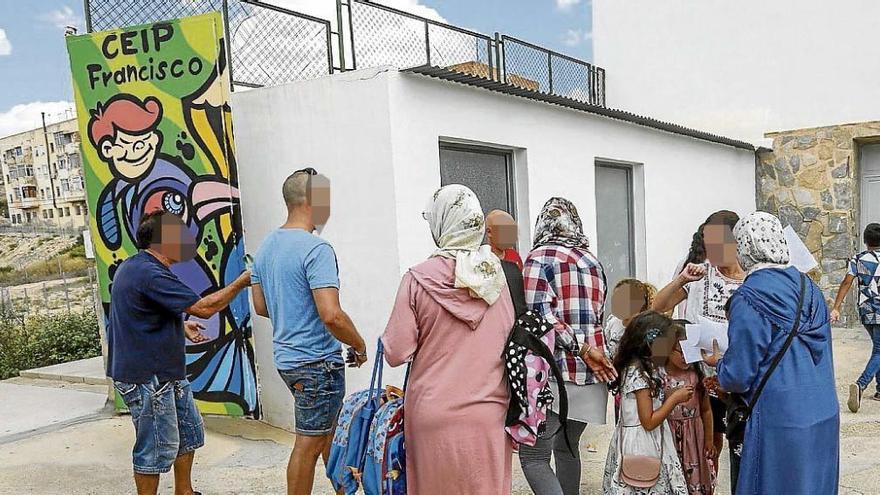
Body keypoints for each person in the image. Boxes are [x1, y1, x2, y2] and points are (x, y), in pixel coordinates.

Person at [108, 211, 252, 495]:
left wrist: (182, 326)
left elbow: (142, 313)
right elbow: (205, 307)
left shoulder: (142, 267)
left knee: (188, 435)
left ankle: (184, 491)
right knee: (155, 447)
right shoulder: (148, 272)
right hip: (148, 378)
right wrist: (241, 282)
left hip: (166, 373)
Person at [382, 184, 513, 494]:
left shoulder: (416, 279)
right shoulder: (498, 278)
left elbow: (396, 351)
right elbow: (509, 335)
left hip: (433, 415)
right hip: (488, 413)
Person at [250, 168, 367, 495]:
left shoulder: (265, 248)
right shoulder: (317, 249)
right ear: (311, 201)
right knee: (309, 443)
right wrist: (359, 344)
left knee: (328, 433)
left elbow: (261, 307)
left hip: (288, 361)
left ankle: (343, 491)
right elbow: (332, 315)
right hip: (317, 363)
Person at [705, 211, 839, 495]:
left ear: (744, 246)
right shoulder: (810, 289)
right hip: (823, 410)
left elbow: (739, 375)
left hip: (778, 418)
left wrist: (719, 364)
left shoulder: (750, 296)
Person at [518, 197, 616, 495]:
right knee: (568, 447)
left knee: (533, 457)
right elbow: (597, 315)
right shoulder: (592, 261)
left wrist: (580, 348)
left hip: (554, 376)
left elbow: (541, 321)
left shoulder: (539, 259)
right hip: (592, 377)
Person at [653, 210, 743, 474]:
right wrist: (681, 279)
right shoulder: (699, 275)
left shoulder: (754, 279)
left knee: (737, 443)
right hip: (702, 378)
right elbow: (659, 306)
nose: (711, 250)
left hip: (740, 378)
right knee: (707, 444)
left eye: (717, 243)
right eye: (707, 243)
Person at [602, 311, 689, 495]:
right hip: (642, 445)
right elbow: (648, 422)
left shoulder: (639, 367)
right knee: (644, 483)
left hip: (636, 441)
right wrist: (674, 399)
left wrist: (666, 394)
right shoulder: (639, 374)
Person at [830, 223, 880, 411]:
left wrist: (836, 307)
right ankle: (860, 385)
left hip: (866, 309)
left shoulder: (858, 259)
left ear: (865, 241)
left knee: (878, 347)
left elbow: (846, 283)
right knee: (879, 350)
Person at [664, 323, 715, 495]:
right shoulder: (660, 377)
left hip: (694, 439)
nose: (686, 357)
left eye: (691, 351)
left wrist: (708, 439)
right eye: (681, 351)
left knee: (693, 478)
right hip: (668, 437)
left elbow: (706, 410)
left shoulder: (697, 377)